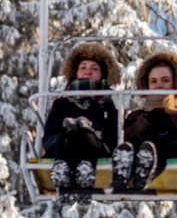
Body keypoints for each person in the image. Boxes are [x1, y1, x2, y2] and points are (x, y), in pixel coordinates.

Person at [113, 50, 177, 191]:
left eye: (165, 80)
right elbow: (122, 140)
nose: (159, 85)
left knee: (159, 143)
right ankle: (125, 172)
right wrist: (145, 121)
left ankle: (144, 172)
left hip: (169, 152)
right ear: (147, 85)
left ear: (175, 83)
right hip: (139, 150)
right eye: (153, 81)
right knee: (141, 141)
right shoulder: (138, 115)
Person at [42, 42, 119, 194]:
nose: (88, 72)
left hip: (97, 149)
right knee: (70, 129)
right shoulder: (62, 103)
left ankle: (85, 172)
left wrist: (90, 131)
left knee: (84, 132)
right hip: (64, 145)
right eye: (83, 67)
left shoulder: (111, 104)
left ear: (103, 74)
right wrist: (71, 129)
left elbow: (115, 136)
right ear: (75, 72)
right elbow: (49, 136)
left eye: (94, 69)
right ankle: (63, 172)